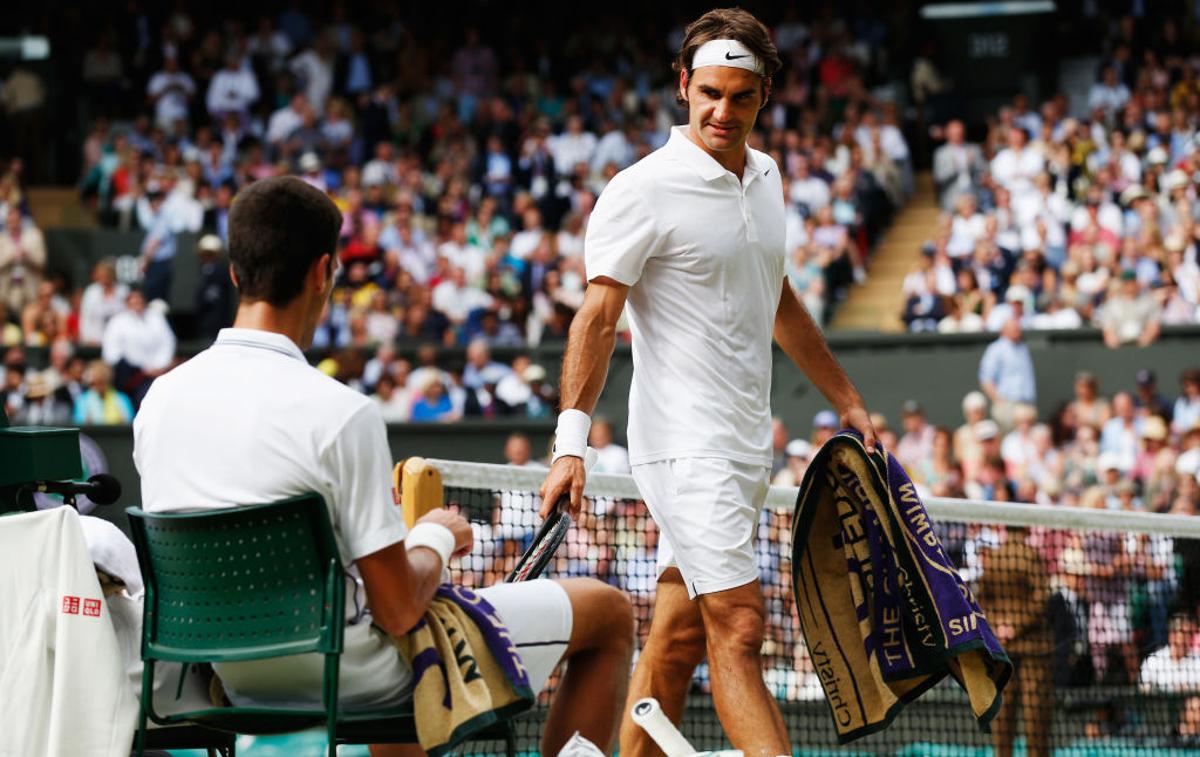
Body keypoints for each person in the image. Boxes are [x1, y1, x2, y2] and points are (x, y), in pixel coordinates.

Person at [131, 177, 633, 756]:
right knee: (610, 614)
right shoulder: (340, 413)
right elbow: (397, 609)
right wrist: (434, 539)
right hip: (349, 676)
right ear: (324, 272)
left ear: (237, 274)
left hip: (228, 680)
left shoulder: (157, 404)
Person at [537, 11, 876, 755]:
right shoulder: (641, 190)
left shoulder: (767, 178)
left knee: (680, 635)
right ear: (684, 86)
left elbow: (776, 297)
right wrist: (570, 445)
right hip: (684, 447)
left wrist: (845, 397)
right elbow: (596, 318)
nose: (723, 111)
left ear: (763, 99)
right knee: (741, 627)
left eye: (742, 97)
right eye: (710, 93)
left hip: (744, 447)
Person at [978, 318, 1036, 431]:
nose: (1017, 330)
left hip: (1027, 404)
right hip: (1008, 405)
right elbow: (986, 379)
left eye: (1018, 327)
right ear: (1003, 330)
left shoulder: (1022, 348)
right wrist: (1000, 401)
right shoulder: (996, 349)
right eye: (1013, 327)